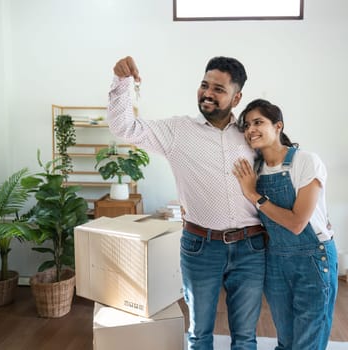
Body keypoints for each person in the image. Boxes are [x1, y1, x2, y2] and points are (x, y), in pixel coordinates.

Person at [107, 56, 267, 350]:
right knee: (199, 335)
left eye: (219, 89)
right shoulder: (176, 131)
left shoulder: (251, 133)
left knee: (245, 337)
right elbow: (123, 127)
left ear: (236, 97)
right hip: (201, 245)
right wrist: (121, 83)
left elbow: (282, 161)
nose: (207, 93)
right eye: (204, 85)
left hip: (251, 246)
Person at [232, 99, 338, 350]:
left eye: (258, 122)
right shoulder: (254, 170)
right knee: (286, 340)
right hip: (276, 259)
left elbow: (297, 222)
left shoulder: (305, 161)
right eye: (247, 125)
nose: (251, 130)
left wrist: (254, 195)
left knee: (308, 341)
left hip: (312, 258)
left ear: (278, 126)